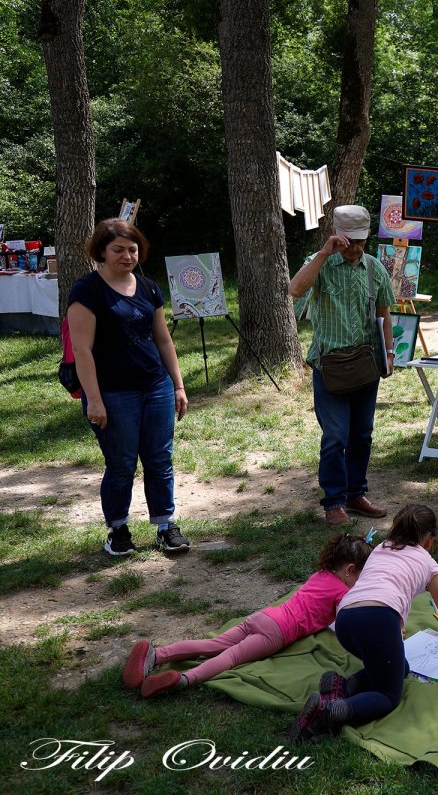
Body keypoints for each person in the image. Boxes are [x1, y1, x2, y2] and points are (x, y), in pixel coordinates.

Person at [289, 504, 438, 742]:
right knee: (388, 694)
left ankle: (343, 686)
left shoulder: (381, 549)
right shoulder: (428, 563)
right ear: (429, 541)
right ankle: (329, 712)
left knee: (399, 668)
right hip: (378, 620)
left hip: (345, 618)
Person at [67, 219, 191, 556]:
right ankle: (118, 530)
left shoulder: (149, 287)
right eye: (118, 250)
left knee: (159, 458)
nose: (127, 256)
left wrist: (177, 386)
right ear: (102, 252)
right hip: (112, 393)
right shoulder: (87, 291)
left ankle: (166, 526)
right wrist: (94, 399)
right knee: (121, 463)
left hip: (155, 386)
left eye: (132, 249)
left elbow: (163, 340)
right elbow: (82, 351)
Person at [124, 533, 371, 698]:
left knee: (214, 644)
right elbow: (349, 620)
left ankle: (157, 655)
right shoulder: (343, 593)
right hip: (279, 632)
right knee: (231, 657)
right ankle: (185, 679)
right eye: (361, 575)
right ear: (350, 570)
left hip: (265, 615)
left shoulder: (320, 574)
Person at [288, 205, 395, 527]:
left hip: (366, 364)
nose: (357, 247)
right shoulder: (320, 264)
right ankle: (333, 501)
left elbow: (385, 315)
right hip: (330, 365)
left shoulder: (374, 268)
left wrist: (389, 353)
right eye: (351, 241)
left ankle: (355, 494)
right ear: (338, 236)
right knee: (335, 435)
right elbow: (295, 289)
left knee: (362, 435)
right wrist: (324, 253)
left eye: (362, 241)